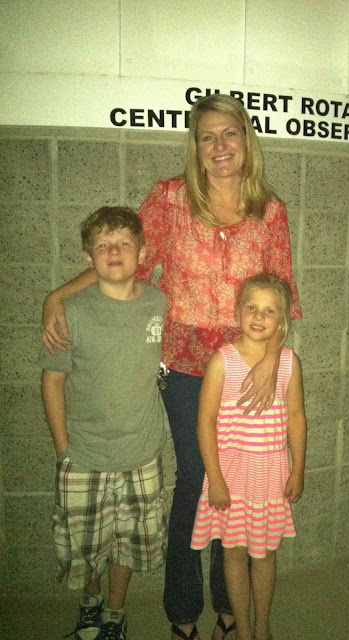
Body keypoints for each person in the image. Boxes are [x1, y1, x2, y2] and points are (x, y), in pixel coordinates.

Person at [41, 94, 301, 640]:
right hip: (185, 368)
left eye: (229, 133)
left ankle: (230, 607)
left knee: (236, 482)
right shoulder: (170, 198)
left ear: (246, 138)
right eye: (207, 136)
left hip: (248, 370)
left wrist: (273, 357)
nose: (219, 146)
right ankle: (183, 609)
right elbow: (126, 263)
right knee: (199, 480)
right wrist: (59, 295)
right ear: (195, 145)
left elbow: (283, 293)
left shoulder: (269, 209)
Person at [39, 207, 168, 640]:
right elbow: (53, 381)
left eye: (124, 243)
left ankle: (115, 612)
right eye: (103, 245)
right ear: (87, 257)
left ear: (142, 253)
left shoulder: (158, 303)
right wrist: (64, 450)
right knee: (86, 544)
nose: (114, 252)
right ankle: (90, 604)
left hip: (141, 453)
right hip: (85, 454)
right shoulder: (69, 312)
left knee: (127, 542)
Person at [191, 274, 307, 640]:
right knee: (233, 555)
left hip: (270, 476)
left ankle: (261, 626)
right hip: (232, 478)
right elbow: (205, 423)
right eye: (252, 307)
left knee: (266, 555)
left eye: (270, 311)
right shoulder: (222, 361)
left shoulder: (288, 362)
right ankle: (241, 627)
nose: (259, 316)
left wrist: (298, 470)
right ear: (238, 311)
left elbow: (296, 417)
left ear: (282, 319)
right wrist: (216, 479)